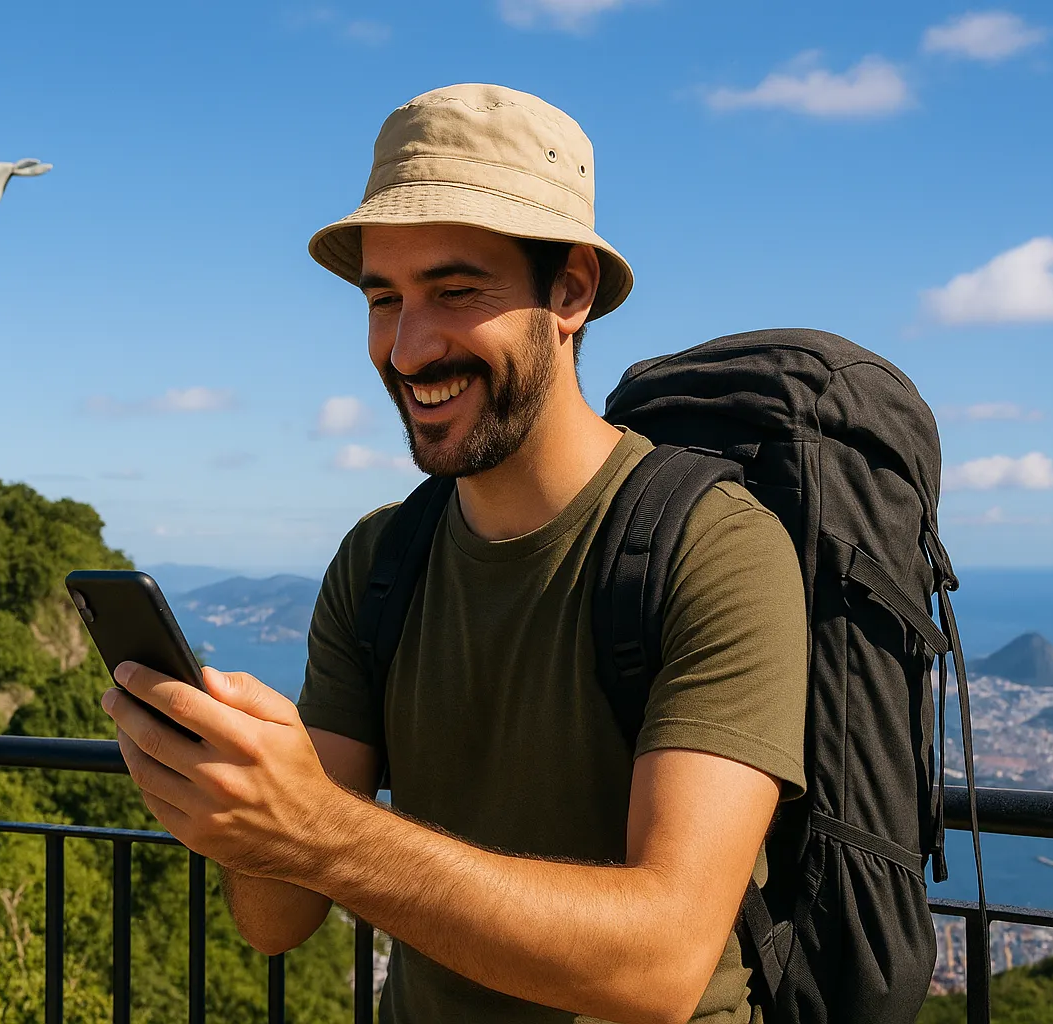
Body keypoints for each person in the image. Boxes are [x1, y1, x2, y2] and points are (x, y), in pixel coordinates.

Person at [100, 83, 807, 1023]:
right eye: (384, 299)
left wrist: (321, 828)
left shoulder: (713, 548)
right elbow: (275, 921)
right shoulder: (381, 560)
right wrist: (240, 794)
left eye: (456, 291)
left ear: (571, 292)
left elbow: (662, 966)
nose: (407, 349)